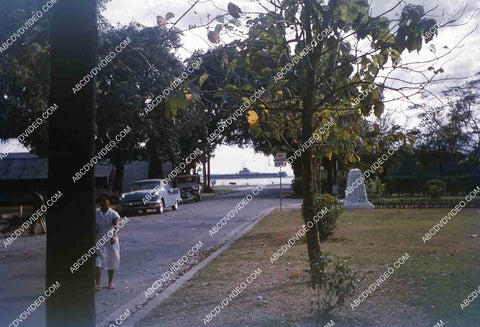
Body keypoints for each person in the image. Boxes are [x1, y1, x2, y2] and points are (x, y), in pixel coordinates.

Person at [95, 193, 120, 291]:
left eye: (105, 201)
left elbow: (115, 227)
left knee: (111, 260)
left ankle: (110, 282)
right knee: (97, 261)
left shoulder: (113, 214)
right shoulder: (96, 213)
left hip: (110, 240)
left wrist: (114, 236)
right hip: (99, 239)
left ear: (108, 202)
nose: (103, 203)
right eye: (101, 201)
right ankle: (98, 283)